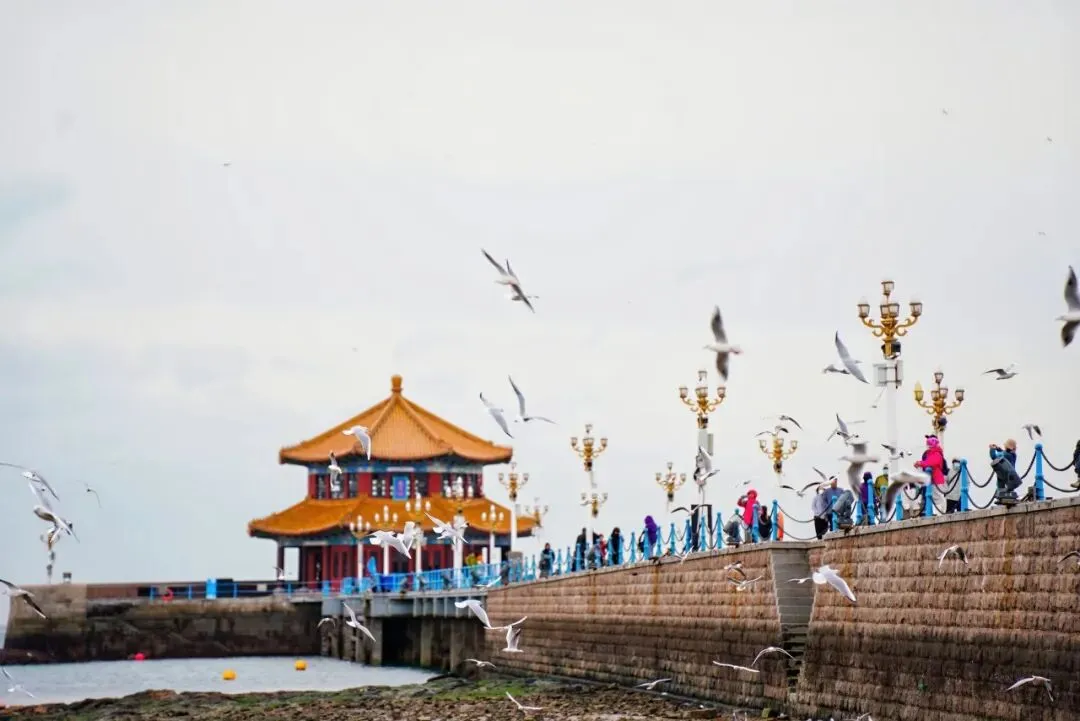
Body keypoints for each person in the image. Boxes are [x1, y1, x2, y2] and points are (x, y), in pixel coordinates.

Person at [915, 435, 948, 513]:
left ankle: (941, 512)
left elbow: (931, 462)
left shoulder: (937, 454)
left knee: (938, 497)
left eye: (929, 443)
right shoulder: (931, 453)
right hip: (933, 479)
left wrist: (920, 463)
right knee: (935, 497)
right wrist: (920, 463)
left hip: (937, 479)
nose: (928, 445)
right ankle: (938, 512)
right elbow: (927, 462)